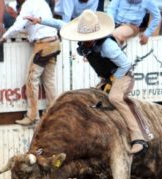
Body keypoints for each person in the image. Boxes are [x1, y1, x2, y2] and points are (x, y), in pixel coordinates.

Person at [60, 9, 152, 154]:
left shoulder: (108, 46)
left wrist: (114, 81)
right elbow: (59, 24)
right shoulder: (88, 45)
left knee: (115, 98)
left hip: (124, 75)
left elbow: (126, 64)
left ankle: (139, 138)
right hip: (107, 78)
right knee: (92, 100)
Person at [0, 0, 60, 125]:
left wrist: (4, 36)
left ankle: (32, 115)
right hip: (54, 43)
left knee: (32, 80)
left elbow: (18, 25)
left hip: (43, 45)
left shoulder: (28, 4)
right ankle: (54, 115)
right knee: (49, 82)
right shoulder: (42, 2)